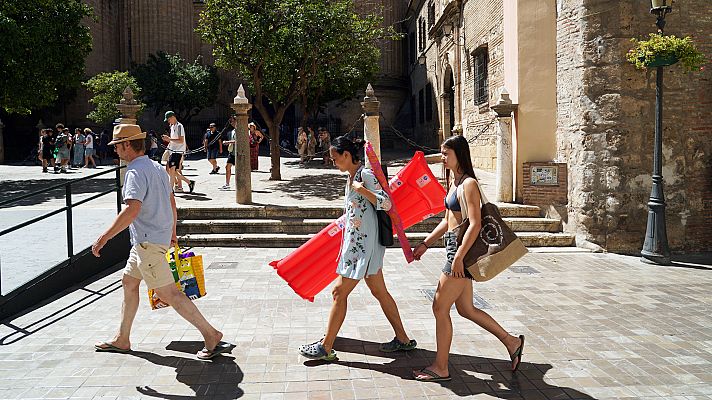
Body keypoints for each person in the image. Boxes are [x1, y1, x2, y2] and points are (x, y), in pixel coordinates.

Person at [91, 123, 231, 360]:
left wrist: (104, 238)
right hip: (150, 241)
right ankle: (122, 338)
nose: (115, 150)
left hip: (147, 243)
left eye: (117, 146)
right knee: (129, 282)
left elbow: (132, 210)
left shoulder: (135, 172)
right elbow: (171, 203)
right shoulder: (157, 168)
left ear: (127, 145)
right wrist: (172, 233)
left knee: (169, 294)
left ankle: (210, 334)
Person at [411, 135, 525, 382]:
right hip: (454, 246)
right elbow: (446, 220)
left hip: (460, 250)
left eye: (445, 153)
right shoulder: (455, 182)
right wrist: (425, 244)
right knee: (466, 309)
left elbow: (475, 224)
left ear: (459, 154)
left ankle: (441, 367)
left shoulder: (469, 184)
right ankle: (512, 342)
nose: (442, 158)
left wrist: (459, 257)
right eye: (441, 153)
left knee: (440, 307)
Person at [298, 136, 417, 361]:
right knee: (379, 292)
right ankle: (403, 339)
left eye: (335, 158)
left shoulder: (365, 176)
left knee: (338, 292)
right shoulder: (352, 177)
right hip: (358, 245)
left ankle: (325, 347)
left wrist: (363, 191)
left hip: (364, 249)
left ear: (346, 155)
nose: (333, 163)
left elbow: (387, 203)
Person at [162, 111, 195, 193]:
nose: (168, 121)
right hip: (173, 151)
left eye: (168, 119)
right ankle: (189, 182)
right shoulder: (172, 126)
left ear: (173, 117)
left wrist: (169, 139)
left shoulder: (179, 126)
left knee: (172, 170)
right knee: (171, 171)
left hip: (178, 152)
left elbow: (181, 140)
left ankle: (170, 190)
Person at [220, 117, 237, 190]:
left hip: (239, 153)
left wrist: (228, 142)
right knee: (227, 167)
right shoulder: (232, 131)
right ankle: (227, 184)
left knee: (239, 170)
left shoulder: (241, 130)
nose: (231, 123)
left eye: (232, 121)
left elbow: (239, 141)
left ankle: (240, 184)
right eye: (230, 122)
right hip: (232, 152)